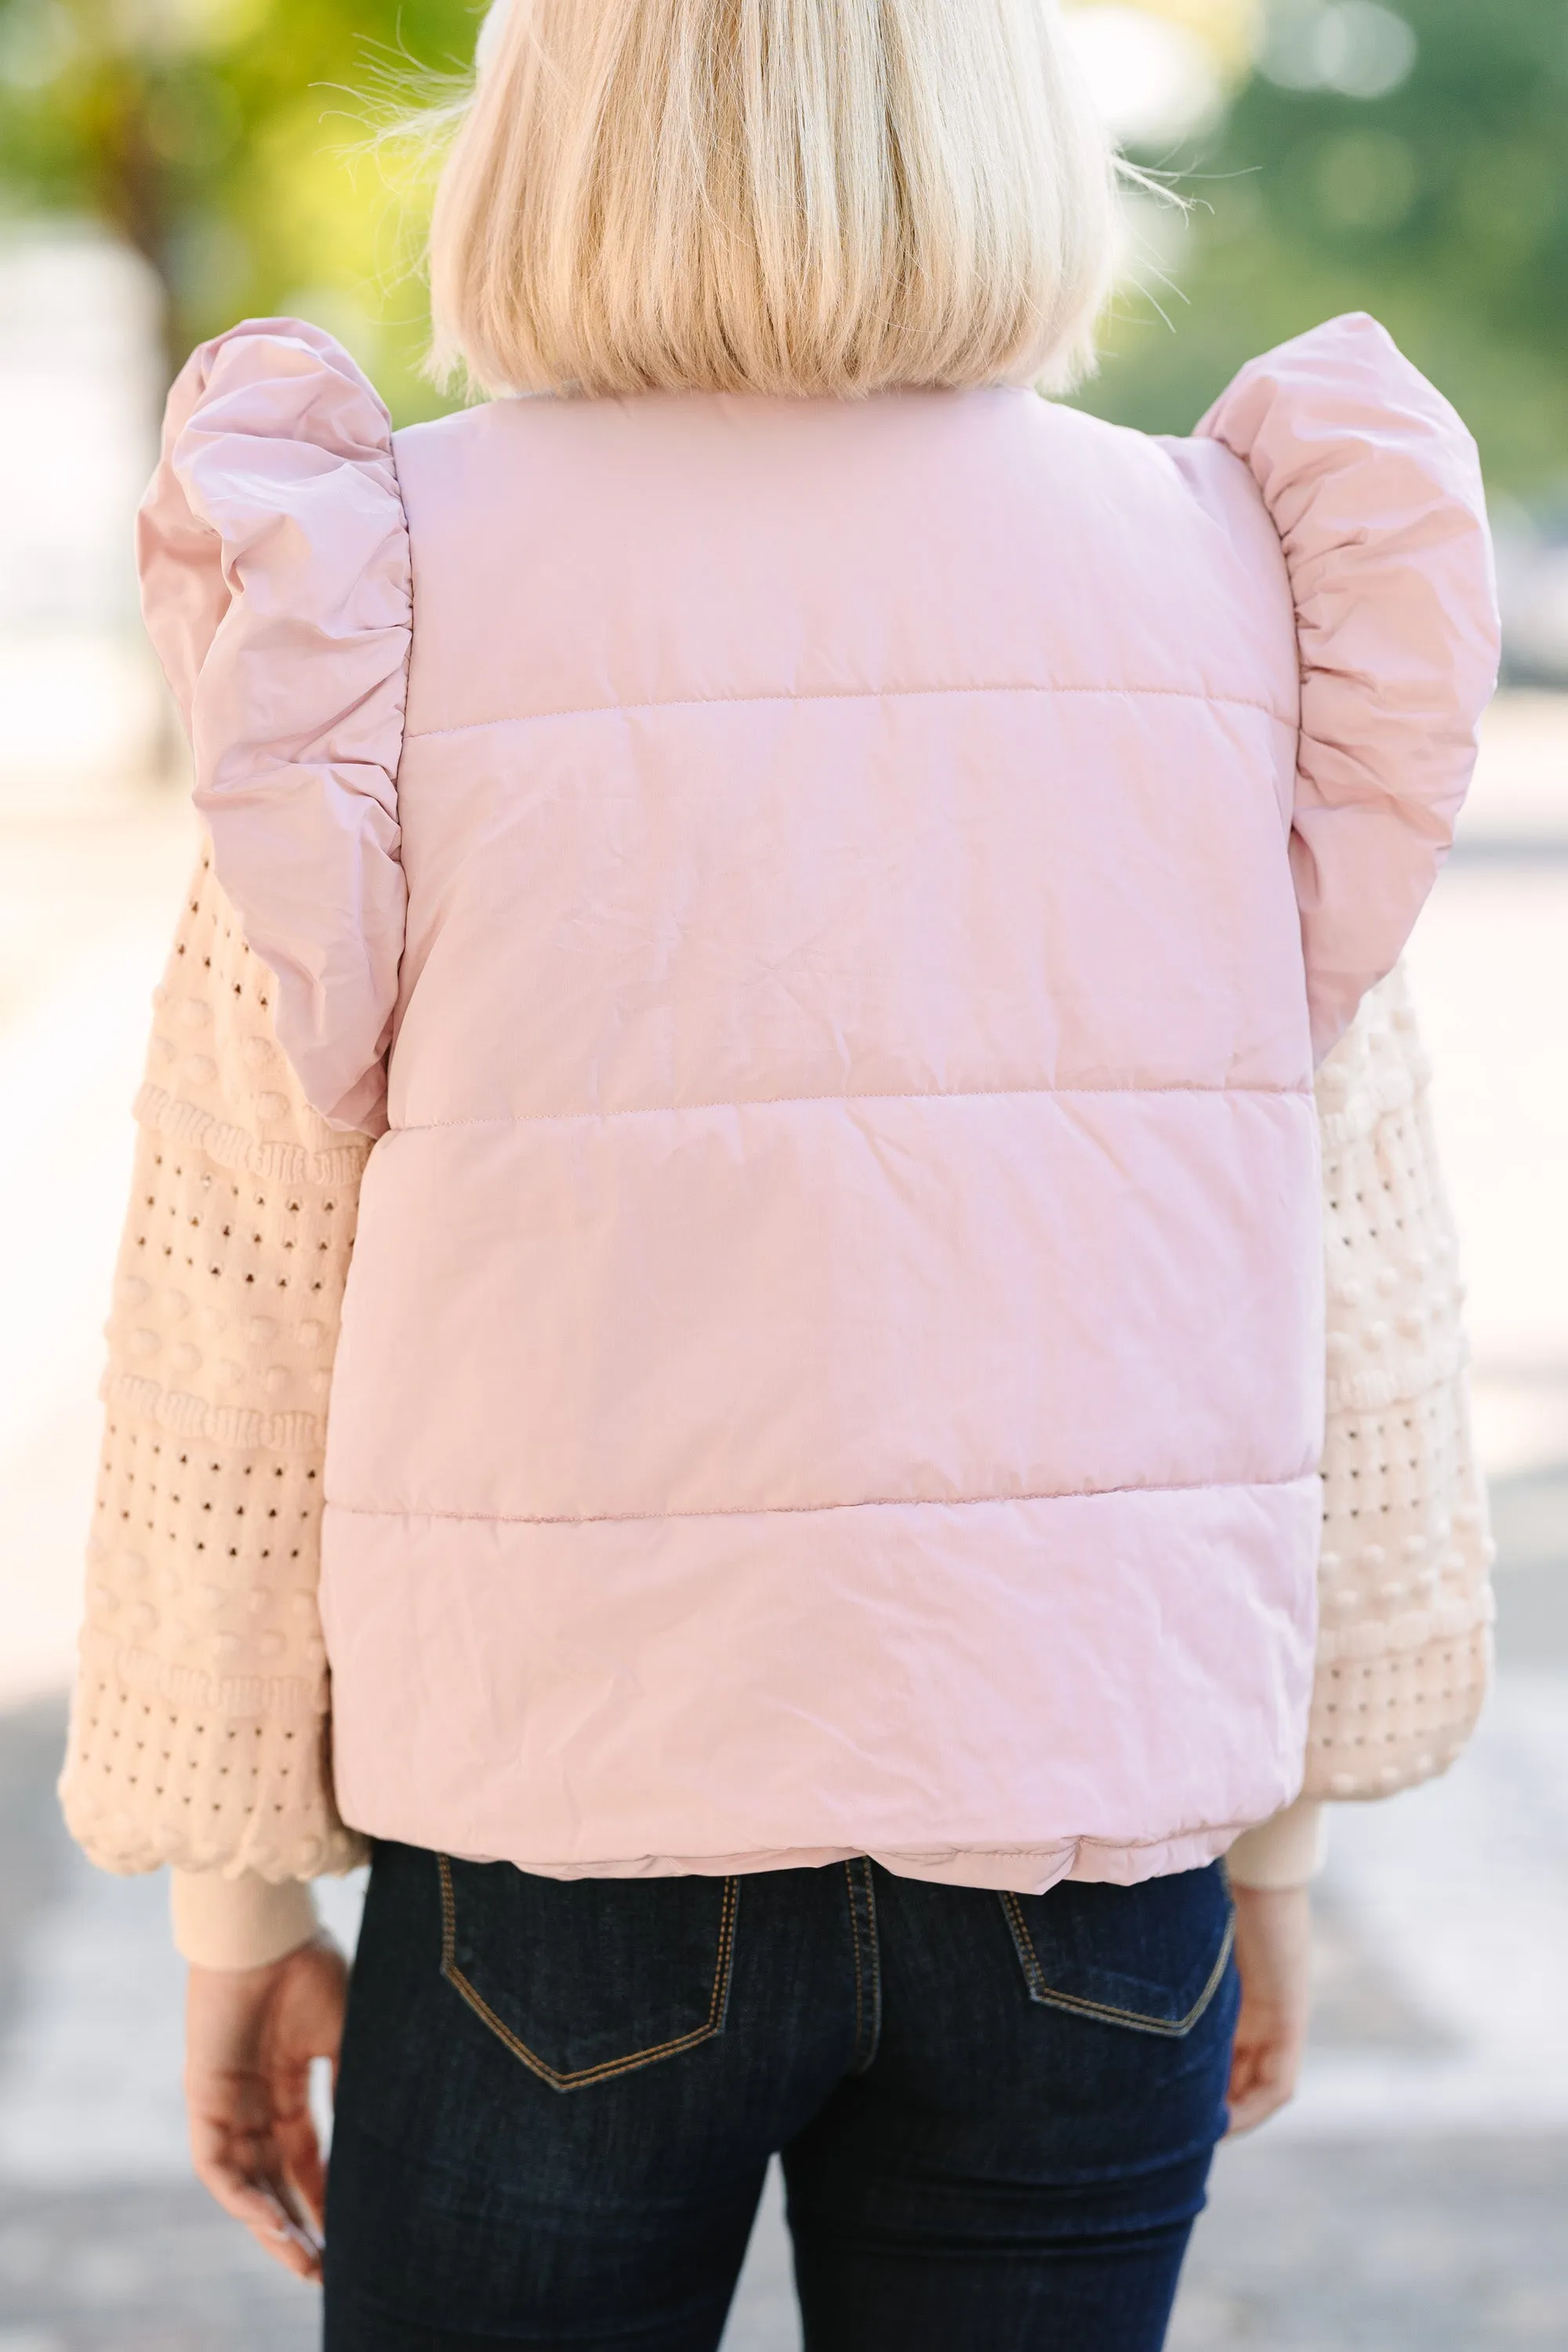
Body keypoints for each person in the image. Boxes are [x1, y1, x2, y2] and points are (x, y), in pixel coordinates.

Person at [60, 2, 1499, 2345]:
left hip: (559, 1856)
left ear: (547, 128)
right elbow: (1349, 1269)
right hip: (1091, 1840)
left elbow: (240, 1283)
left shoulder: (379, 570)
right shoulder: (1234, 567)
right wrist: (1286, 1848)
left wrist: (238, 1905)